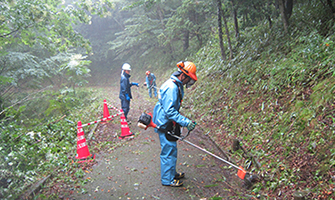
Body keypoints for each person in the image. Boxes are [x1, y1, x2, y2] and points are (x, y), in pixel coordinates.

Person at [152, 61, 197, 187]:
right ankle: (167, 179)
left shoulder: (176, 85)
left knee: (172, 148)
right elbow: (170, 111)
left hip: (167, 121)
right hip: (164, 122)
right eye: (188, 79)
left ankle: (171, 173)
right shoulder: (171, 87)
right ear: (183, 75)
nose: (188, 82)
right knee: (168, 151)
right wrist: (186, 122)